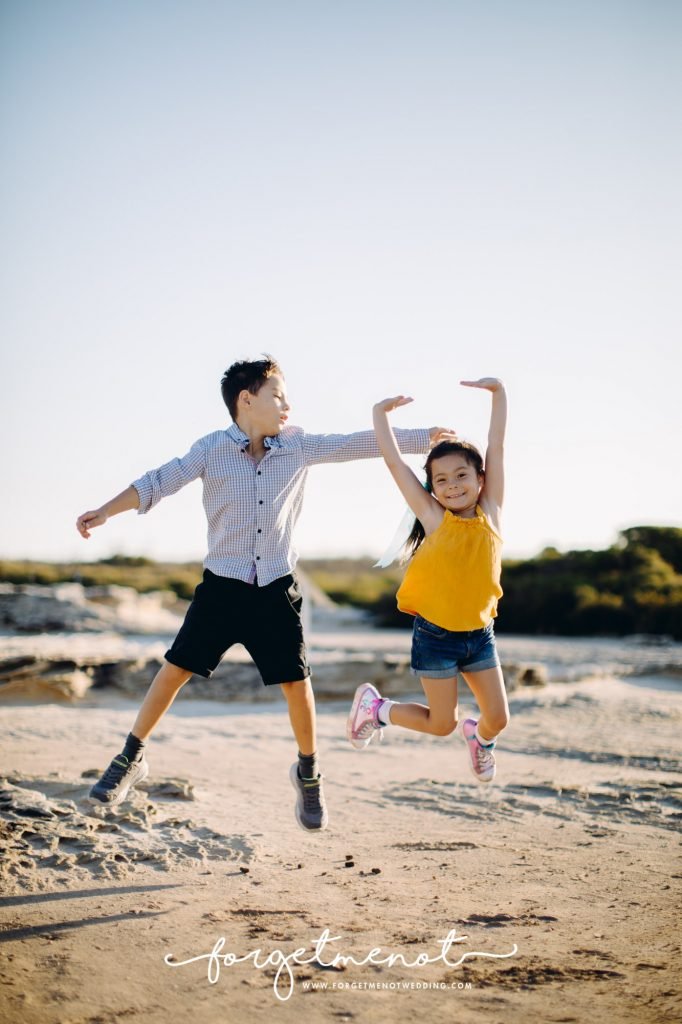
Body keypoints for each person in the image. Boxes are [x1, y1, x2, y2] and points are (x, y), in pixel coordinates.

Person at [77, 356, 454, 830]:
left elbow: (353, 444)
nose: (287, 404)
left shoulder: (296, 446)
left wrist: (426, 438)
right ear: (246, 400)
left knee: (297, 682)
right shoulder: (211, 449)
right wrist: (107, 511)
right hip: (222, 588)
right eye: (278, 394)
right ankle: (131, 757)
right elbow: (159, 481)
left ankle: (309, 773)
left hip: (275, 588)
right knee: (175, 670)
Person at [347, 378, 509, 784]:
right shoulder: (436, 519)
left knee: (498, 719)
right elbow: (394, 464)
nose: (452, 485)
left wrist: (499, 394)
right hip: (436, 636)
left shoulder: (491, 511)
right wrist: (379, 415)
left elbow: (497, 447)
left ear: (480, 479)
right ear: (432, 488)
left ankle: (480, 740)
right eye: (441, 480)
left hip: (479, 633)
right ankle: (377, 709)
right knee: (440, 725)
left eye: (461, 476)